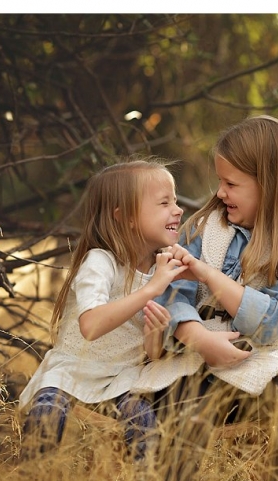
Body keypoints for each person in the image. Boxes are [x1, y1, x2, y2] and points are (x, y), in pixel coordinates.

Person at [133, 115, 278, 481]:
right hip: (190, 359)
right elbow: (171, 293)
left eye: (232, 184)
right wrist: (197, 337)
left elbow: (275, 322)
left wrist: (212, 277)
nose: (221, 192)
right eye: (220, 181)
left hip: (258, 362)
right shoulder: (206, 227)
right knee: (187, 404)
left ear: (272, 185)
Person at [17, 157, 188, 459]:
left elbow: (152, 354)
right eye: (164, 203)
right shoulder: (101, 262)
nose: (178, 209)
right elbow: (92, 325)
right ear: (127, 217)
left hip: (123, 379)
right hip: (73, 371)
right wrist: (152, 288)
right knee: (47, 412)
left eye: (175, 200)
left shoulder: (165, 268)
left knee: (143, 421)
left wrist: (155, 337)